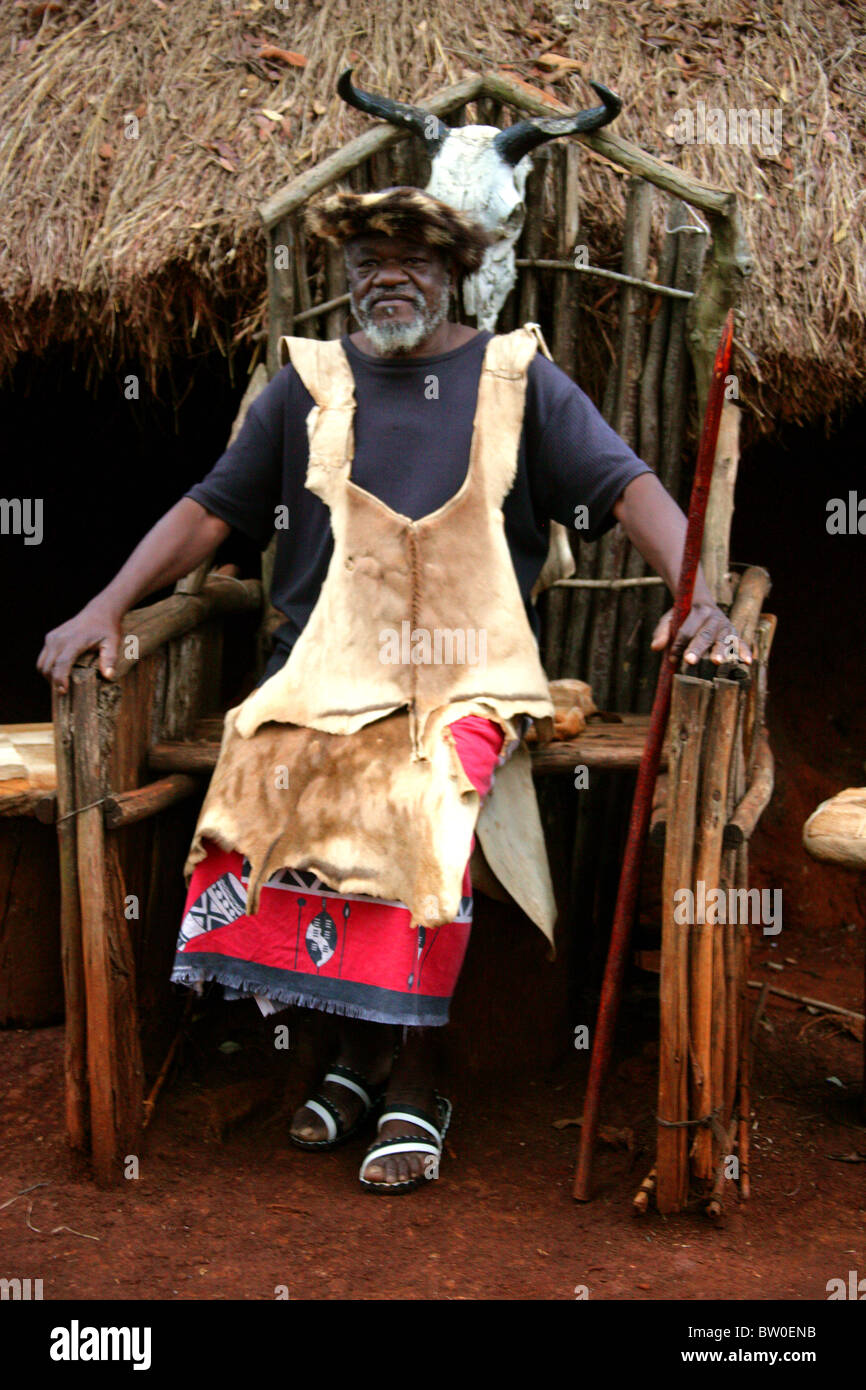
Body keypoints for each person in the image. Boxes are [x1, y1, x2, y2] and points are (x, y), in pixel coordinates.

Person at [38, 185, 749, 1194]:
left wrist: (702, 601)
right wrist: (106, 603)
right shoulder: (307, 386)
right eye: (367, 261)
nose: (387, 277)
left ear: (455, 271)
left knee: (420, 799)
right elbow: (212, 508)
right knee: (266, 773)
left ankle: (420, 1074)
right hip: (325, 671)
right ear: (343, 277)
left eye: (413, 258)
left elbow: (628, 486)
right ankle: (352, 1051)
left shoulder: (516, 379)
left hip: (469, 675)